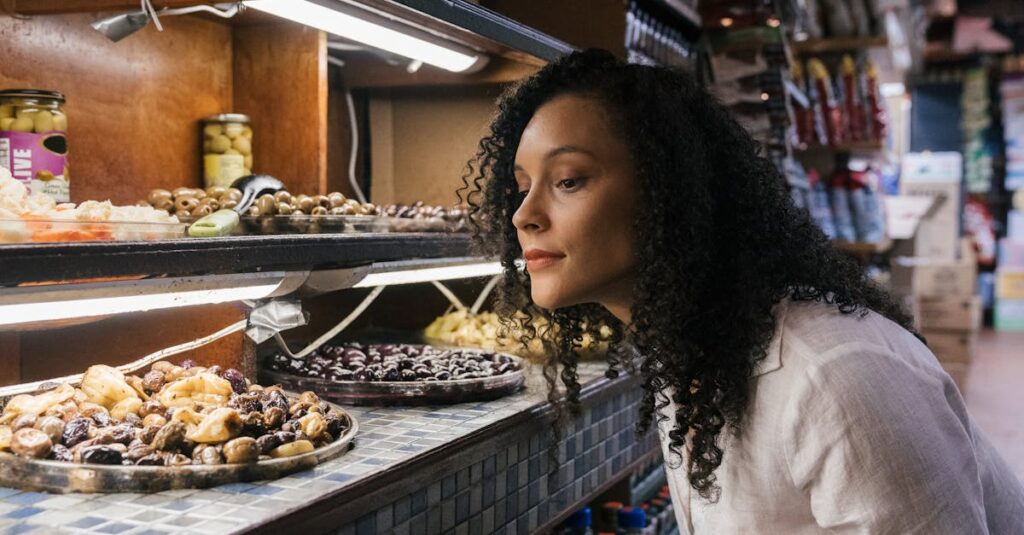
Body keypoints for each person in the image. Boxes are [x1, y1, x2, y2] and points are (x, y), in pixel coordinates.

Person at [460, 49, 1024, 533]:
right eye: (521, 187)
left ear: (671, 193)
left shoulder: (838, 374)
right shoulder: (692, 351)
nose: (524, 215)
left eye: (568, 181)